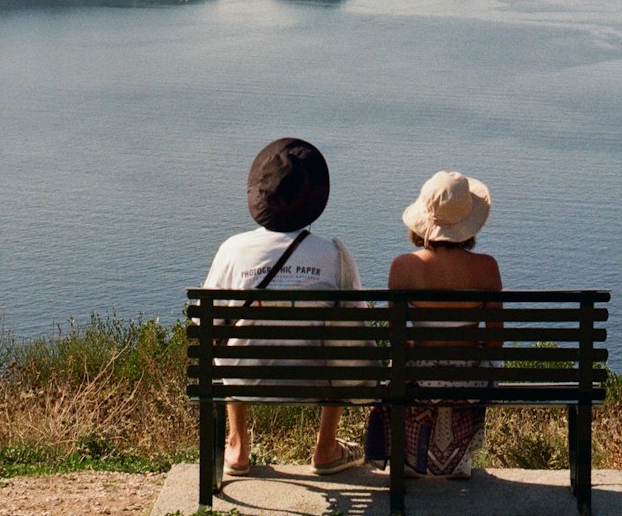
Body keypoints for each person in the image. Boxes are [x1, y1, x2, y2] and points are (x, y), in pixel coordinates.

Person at [202, 136, 365, 476]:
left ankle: (237, 444)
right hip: (317, 379)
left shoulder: (232, 250)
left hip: (245, 377)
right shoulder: (334, 255)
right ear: (311, 200)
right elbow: (357, 323)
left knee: (229, 335)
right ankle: (326, 447)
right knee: (340, 336)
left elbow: (210, 325)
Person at [384, 169, 502, 479]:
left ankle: (412, 453)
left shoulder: (403, 267)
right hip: (469, 381)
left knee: (400, 366)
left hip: (417, 379)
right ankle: (458, 456)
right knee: (483, 363)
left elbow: (396, 337)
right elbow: (495, 340)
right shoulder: (486, 268)